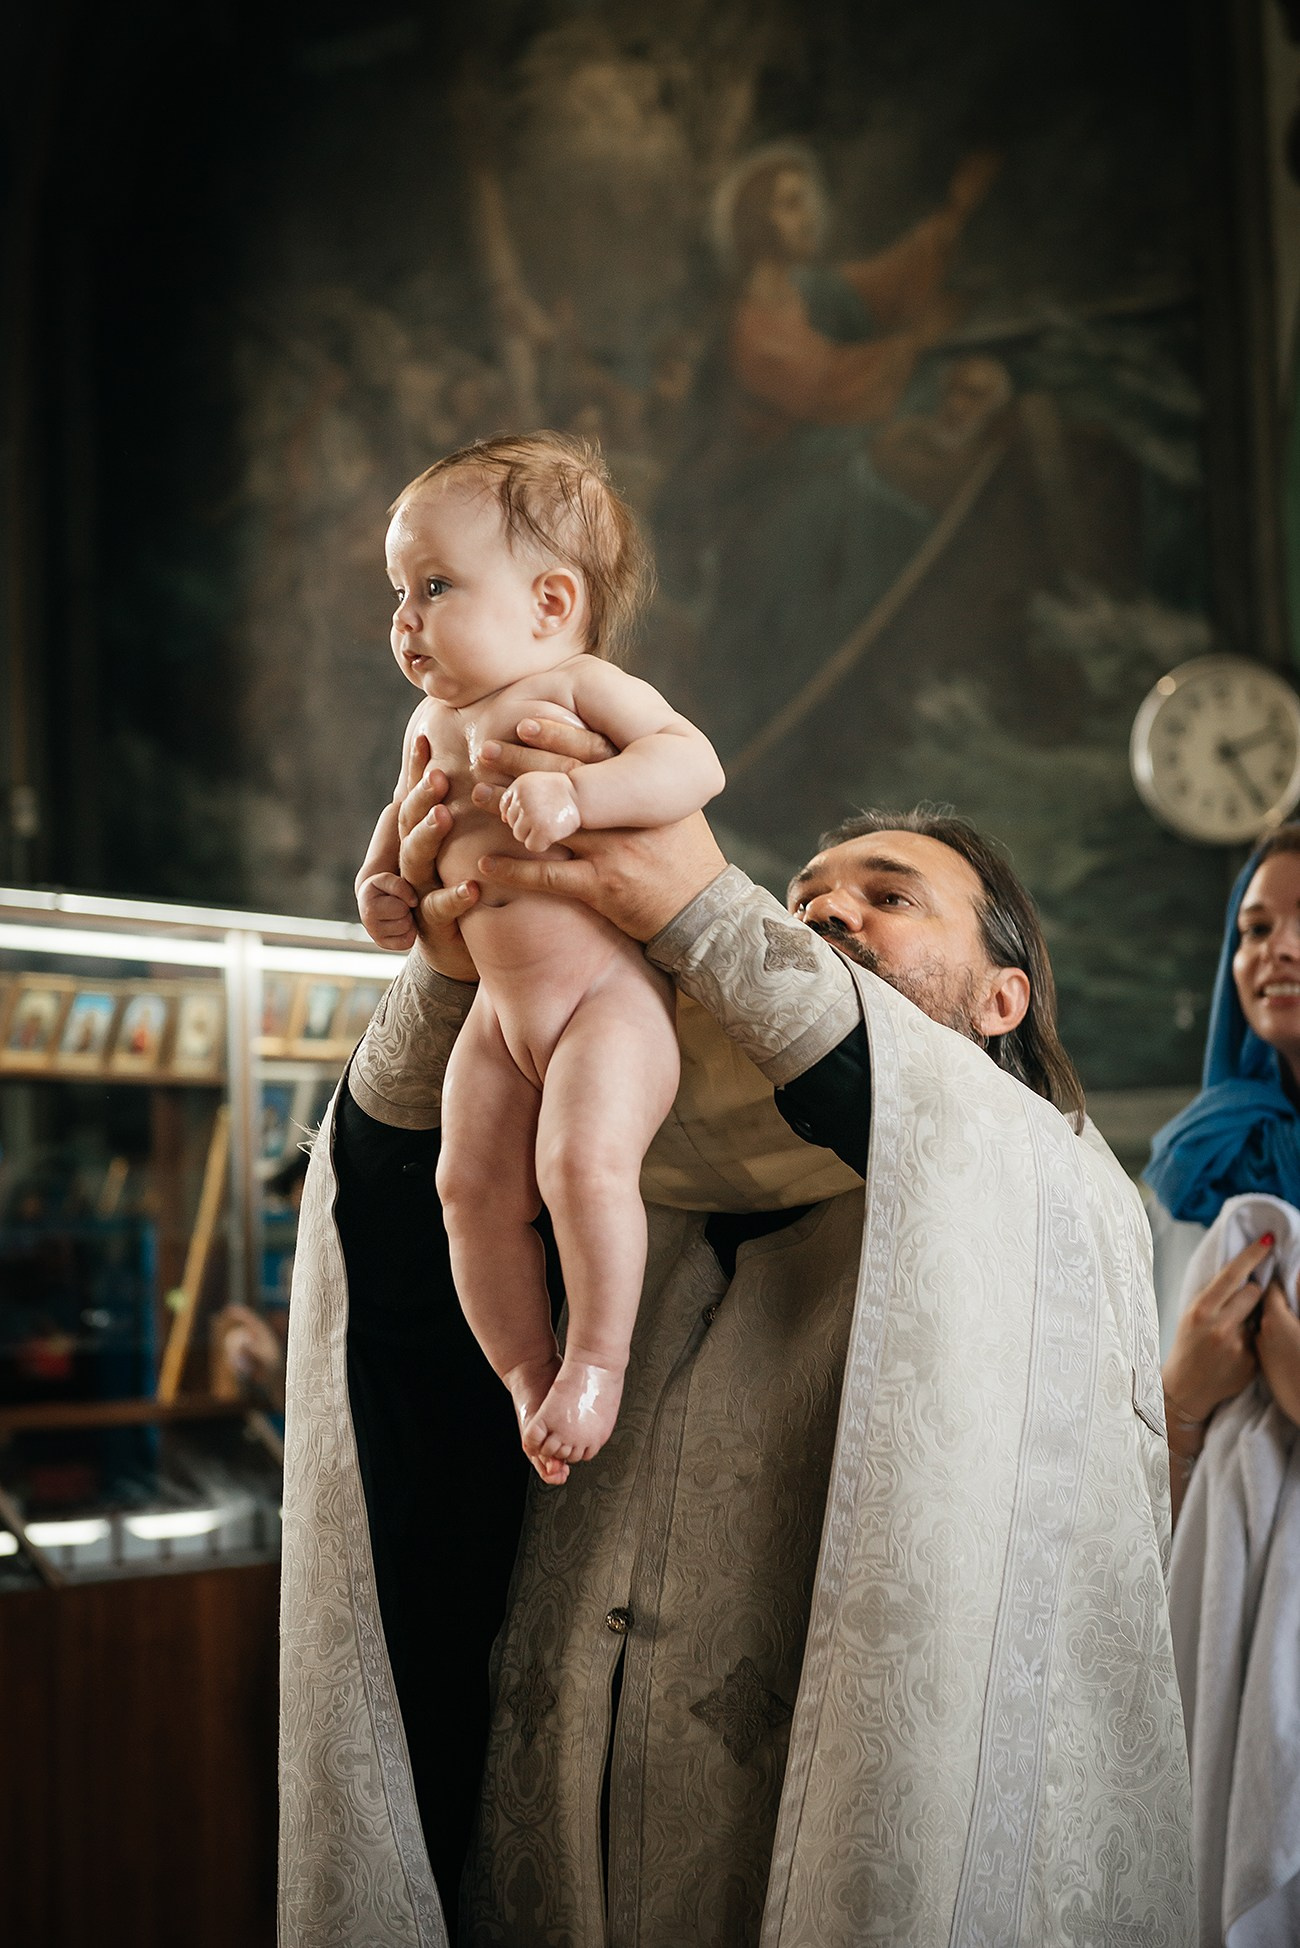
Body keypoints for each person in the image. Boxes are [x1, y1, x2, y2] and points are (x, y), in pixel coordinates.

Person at [279, 731, 1195, 1947]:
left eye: (888, 896)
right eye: (803, 897)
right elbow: (391, 1243)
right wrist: (456, 965)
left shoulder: (1054, 1194)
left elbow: (897, 1095)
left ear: (1001, 1000)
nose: (827, 913)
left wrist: (703, 907)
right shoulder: (628, 1195)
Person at [355, 433, 723, 1475]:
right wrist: (380, 886)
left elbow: (692, 763)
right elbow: (401, 820)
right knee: (468, 1190)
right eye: (397, 592)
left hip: (606, 999)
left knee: (579, 1165)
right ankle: (527, 1372)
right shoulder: (431, 718)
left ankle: (598, 1362)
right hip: (497, 1014)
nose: (405, 618)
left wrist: (580, 793)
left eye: (434, 586)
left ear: (551, 603)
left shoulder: (579, 685)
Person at [1144, 825, 1300, 1947]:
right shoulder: (1200, 1173)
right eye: (1254, 927)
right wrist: (1184, 1398)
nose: (1274, 951)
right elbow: (1118, 1489)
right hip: (1224, 1626)